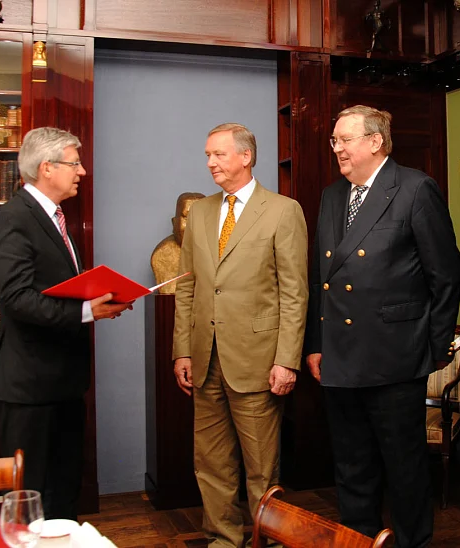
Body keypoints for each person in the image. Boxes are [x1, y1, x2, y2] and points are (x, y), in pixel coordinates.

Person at [303, 105, 460, 548]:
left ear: (375, 142)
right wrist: (316, 344)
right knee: (351, 465)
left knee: (404, 466)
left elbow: (445, 275)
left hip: (395, 355)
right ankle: (359, 540)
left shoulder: (414, 189)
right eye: (334, 140)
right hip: (339, 355)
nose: (337, 149)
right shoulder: (333, 196)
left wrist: (433, 348)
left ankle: (413, 542)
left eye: (344, 139)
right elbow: (321, 277)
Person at [172, 123, 309, 548]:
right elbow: (188, 285)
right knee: (210, 463)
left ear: (246, 157)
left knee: (261, 469)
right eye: (208, 155)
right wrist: (182, 351)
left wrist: (287, 359)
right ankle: (222, 539)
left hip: (257, 360)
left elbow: (294, 292)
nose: (210, 162)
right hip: (204, 359)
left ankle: (262, 542)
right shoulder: (201, 212)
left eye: (219, 154)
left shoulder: (284, 210)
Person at [0, 127, 132, 520]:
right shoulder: (13, 218)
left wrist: (103, 299)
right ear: (47, 167)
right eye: (74, 163)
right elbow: (17, 300)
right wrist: (87, 312)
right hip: (28, 388)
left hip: (63, 383)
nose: (82, 171)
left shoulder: (55, 218)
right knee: (28, 501)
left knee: (63, 494)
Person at [150, 191, 205, 294]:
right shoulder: (162, 255)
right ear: (174, 222)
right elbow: (170, 290)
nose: (193, 225)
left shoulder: (225, 250)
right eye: (187, 217)